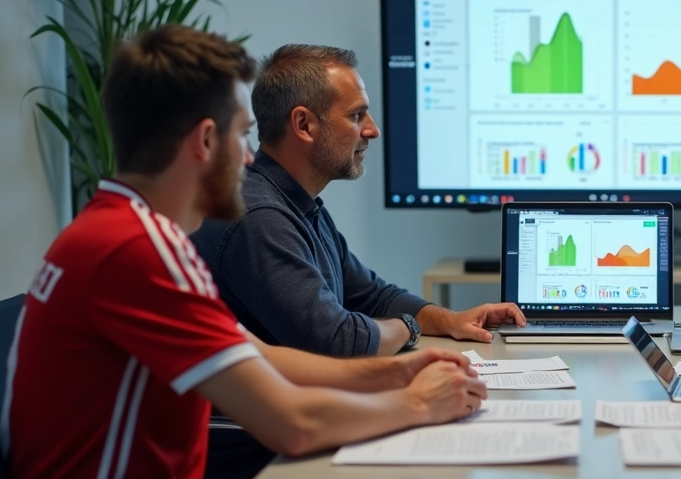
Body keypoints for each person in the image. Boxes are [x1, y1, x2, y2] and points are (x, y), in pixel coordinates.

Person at [2, 25, 488, 479]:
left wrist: (395, 371)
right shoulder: (138, 251)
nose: (251, 156)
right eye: (241, 133)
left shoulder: (119, 229)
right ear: (206, 141)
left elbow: (257, 356)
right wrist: (420, 404)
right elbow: (293, 424)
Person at [190, 44, 525, 360]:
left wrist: (449, 320)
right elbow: (338, 341)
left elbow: (372, 296)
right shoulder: (261, 217)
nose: (373, 130)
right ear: (304, 124)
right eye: (356, 116)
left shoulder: (298, 204)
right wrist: (410, 326)